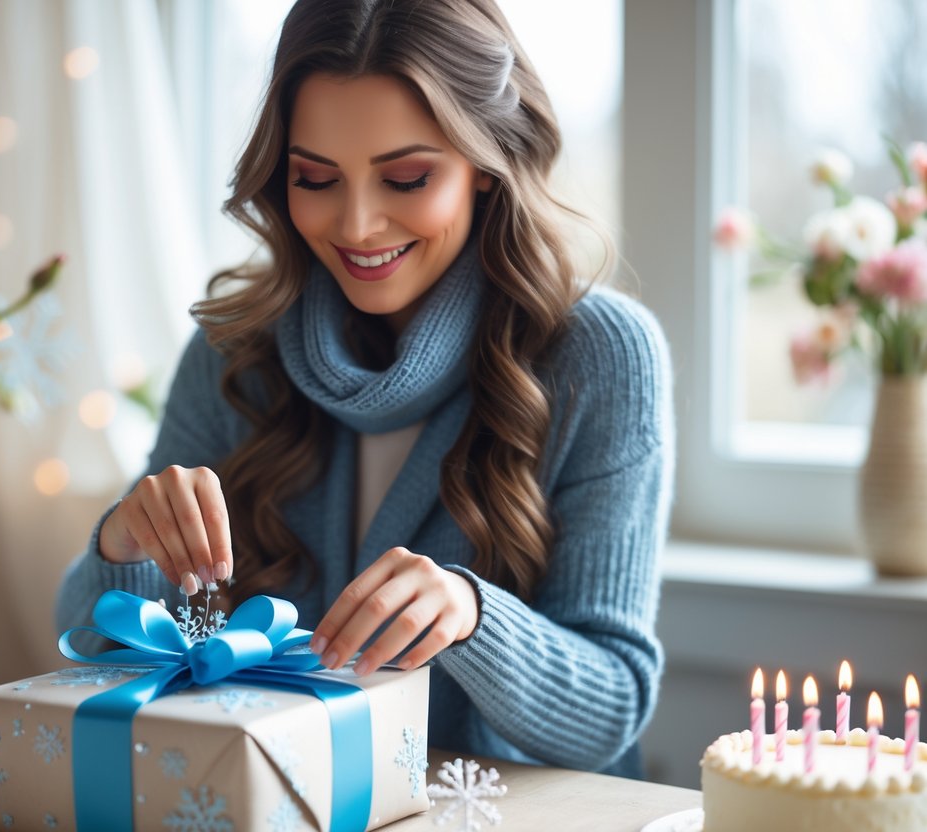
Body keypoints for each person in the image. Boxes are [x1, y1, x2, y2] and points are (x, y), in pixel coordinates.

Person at [56, 0, 672, 779]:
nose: (356, 224)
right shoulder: (232, 352)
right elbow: (92, 664)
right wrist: (123, 548)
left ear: (486, 167)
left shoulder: (599, 354)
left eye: (406, 177)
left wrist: (471, 618)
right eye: (315, 178)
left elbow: (610, 709)